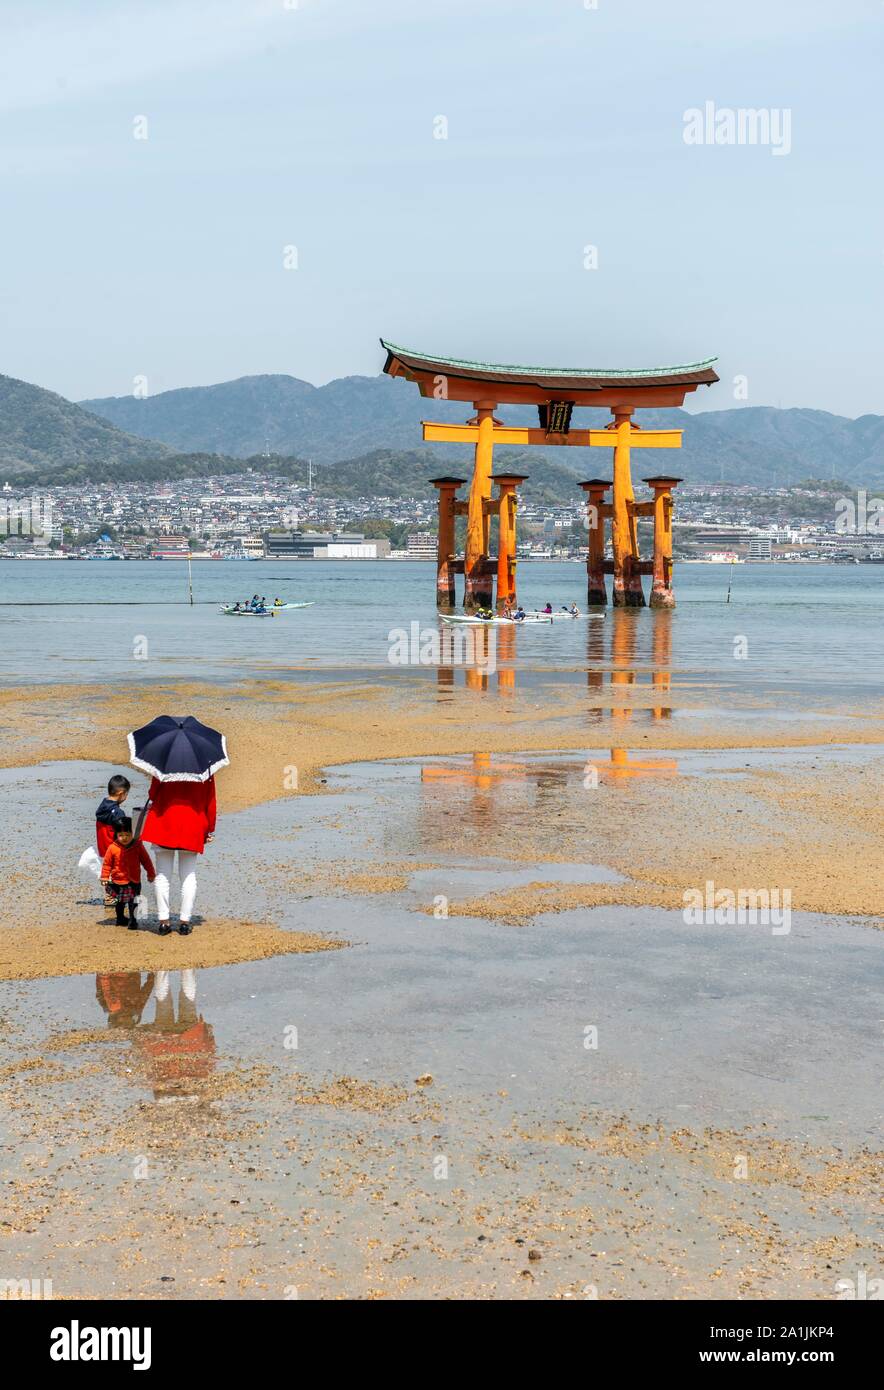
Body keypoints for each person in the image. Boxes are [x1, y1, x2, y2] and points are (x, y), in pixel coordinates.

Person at [142, 775, 217, 935]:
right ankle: (184, 921)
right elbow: (210, 800)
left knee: (162, 875)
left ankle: (163, 922)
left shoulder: (163, 762)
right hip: (192, 824)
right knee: (188, 875)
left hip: (164, 821)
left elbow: (153, 794)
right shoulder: (205, 767)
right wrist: (210, 828)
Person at [100, 816, 156, 930]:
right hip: (118, 881)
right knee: (120, 902)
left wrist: (151, 873)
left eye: (127, 835)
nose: (124, 838)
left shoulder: (138, 846)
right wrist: (104, 877)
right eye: (121, 835)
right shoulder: (112, 848)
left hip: (134, 880)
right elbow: (107, 864)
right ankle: (120, 918)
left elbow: (146, 860)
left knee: (134, 901)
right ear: (116, 834)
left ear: (133, 833)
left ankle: (133, 920)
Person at [96, 774, 131, 907]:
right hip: (114, 847)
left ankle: (110, 896)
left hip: (103, 846)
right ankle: (115, 897)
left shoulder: (102, 805)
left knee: (108, 871)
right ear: (121, 793)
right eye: (126, 794)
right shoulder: (117, 813)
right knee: (118, 871)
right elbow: (122, 833)